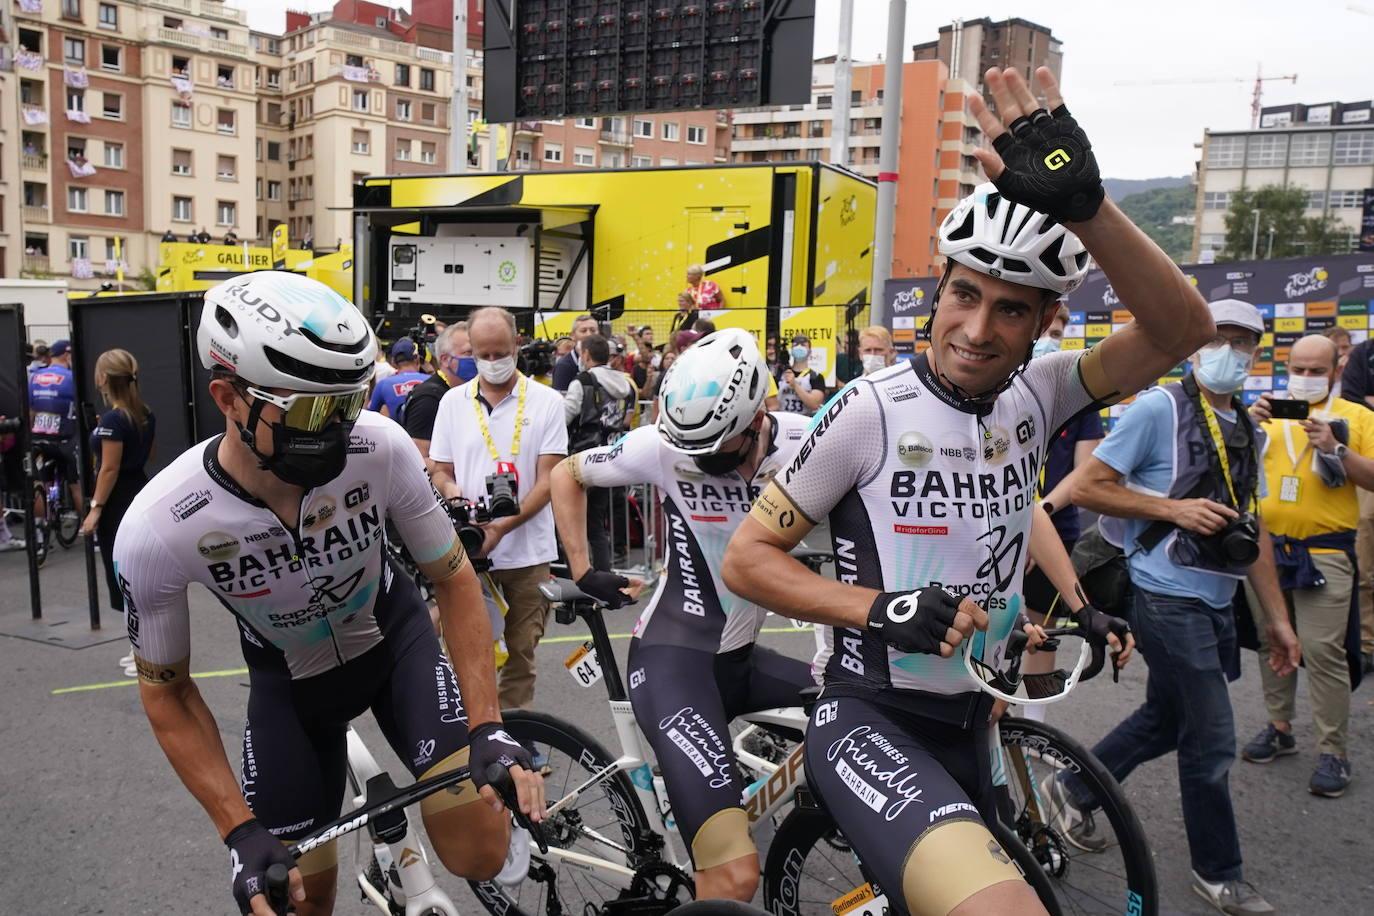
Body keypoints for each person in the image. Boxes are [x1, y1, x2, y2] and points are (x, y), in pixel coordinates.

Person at [723, 67, 1224, 916]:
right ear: (938, 288)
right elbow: (748, 560)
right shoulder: (867, 410)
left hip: (977, 721)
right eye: (964, 295)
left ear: (1045, 323)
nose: (978, 330)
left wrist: (1088, 210)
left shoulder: (1042, 394)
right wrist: (880, 610)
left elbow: (1182, 330)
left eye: (1012, 311)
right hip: (871, 717)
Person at [114, 273, 541, 916]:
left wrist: (487, 725)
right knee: (297, 902)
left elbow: (454, 577)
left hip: (397, 647)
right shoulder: (160, 525)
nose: (341, 432)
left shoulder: (381, 446)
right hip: (291, 689)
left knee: (479, 853)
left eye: (352, 402)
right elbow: (167, 689)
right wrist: (239, 831)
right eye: (315, 412)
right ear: (228, 397)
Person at [552, 329, 814, 902]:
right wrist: (581, 568)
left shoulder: (810, 441)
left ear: (757, 418)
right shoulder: (661, 445)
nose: (699, 463)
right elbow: (565, 474)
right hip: (675, 659)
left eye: (715, 451)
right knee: (734, 877)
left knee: (858, 710)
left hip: (742, 660)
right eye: (690, 450)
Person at [1068, 298, 1302, 913]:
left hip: (1219, 600)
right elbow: (1090, 485)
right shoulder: (1158, 407)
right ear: (1194, 343)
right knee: (1213, 738)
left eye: (1244, 341)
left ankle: (1071, 787)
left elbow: (1254, 534)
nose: (1230, 351)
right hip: (1165, 594)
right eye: (1219, 337)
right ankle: (1218, 873)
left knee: (1167, 720)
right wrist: (1172, 509)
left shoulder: (1249, 428)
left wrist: (1277, 620)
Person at [1241, 334, 1370, 797]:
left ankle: (1333, 750)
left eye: (1317, 370)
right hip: (1267, 552)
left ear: (1336, 371)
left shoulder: (1355, 417)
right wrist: (1248, 428)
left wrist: (1335, 447)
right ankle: (1279, 727)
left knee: (1322, 651)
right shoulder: (1268, 415)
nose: (1306, 377)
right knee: (1270, 641)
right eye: (1299, 368)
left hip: (1326, 551)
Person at [430, 307, 569, 709]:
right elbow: (439, 468)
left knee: (521, 651)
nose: (492, 362)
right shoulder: (453, 402)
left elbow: (550, 479)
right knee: (468, 650)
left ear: (517, 345)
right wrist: (453, 491)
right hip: (471, 551)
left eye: (500, 352)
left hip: (528, 552)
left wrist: (503, 527)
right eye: (483, 354)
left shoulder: (546, 402)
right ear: (471, 350)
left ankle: (518, 738)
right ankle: (474, 735)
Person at [81, 349, 156, 677]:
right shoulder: (142, 413)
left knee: (122, 574)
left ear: (103, 378)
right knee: (133, 574)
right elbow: (146, 454)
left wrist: (95, 508)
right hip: (138, 490)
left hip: (118, 500)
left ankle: (143, 651)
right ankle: (141, 648)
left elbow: (109, 469)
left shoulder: (114, 419)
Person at [564, 335, 636, 571]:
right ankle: (603, 572)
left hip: (582, 458)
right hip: (612, 455)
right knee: (596, 522)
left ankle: (577, 573)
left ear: (585, 355)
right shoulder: (624, 383)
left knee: (571, 521)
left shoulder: (583, 381)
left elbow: (566, 415)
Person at [1338, 336, 1374, 674]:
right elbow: (1352, 398)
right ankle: (1366, 642)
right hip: (1367, 459)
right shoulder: (1365, 353)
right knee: (1365, 563)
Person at [28, 339, 84, 533]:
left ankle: (39, 530)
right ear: (67, 355)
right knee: (76, 485)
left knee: (38, 483)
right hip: (64, 441)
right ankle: (90, 534)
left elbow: (30, 410)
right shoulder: (71, 378)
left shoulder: (34, 377)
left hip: (38, 439)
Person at [402, 322, 473, 464]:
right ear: (445, 359)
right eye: (468, 353)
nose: (477, 358)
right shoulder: (428, 399)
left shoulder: (470, 392)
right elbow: (419, 462)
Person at [367, 339, 427, 419]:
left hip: (397, 430)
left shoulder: (383, 385)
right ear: (417, 359)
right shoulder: (432, 380)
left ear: (393, 362)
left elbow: (370, 416)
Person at [776, 334, 826, 416]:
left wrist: (795, 385)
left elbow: (814, 404)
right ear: (791, 350)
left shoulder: (816, 377)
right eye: (795, 345)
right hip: (782, 420)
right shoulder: (781, 374)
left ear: (810, 351)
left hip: (804, 422)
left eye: (803, 345)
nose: (799, 347)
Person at [551, 314, 599, 392]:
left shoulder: (606, 360)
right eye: (583, 331)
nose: (589, 334)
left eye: (593, 330)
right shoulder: (563, 366)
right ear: (573, 335)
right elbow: (561, 400)